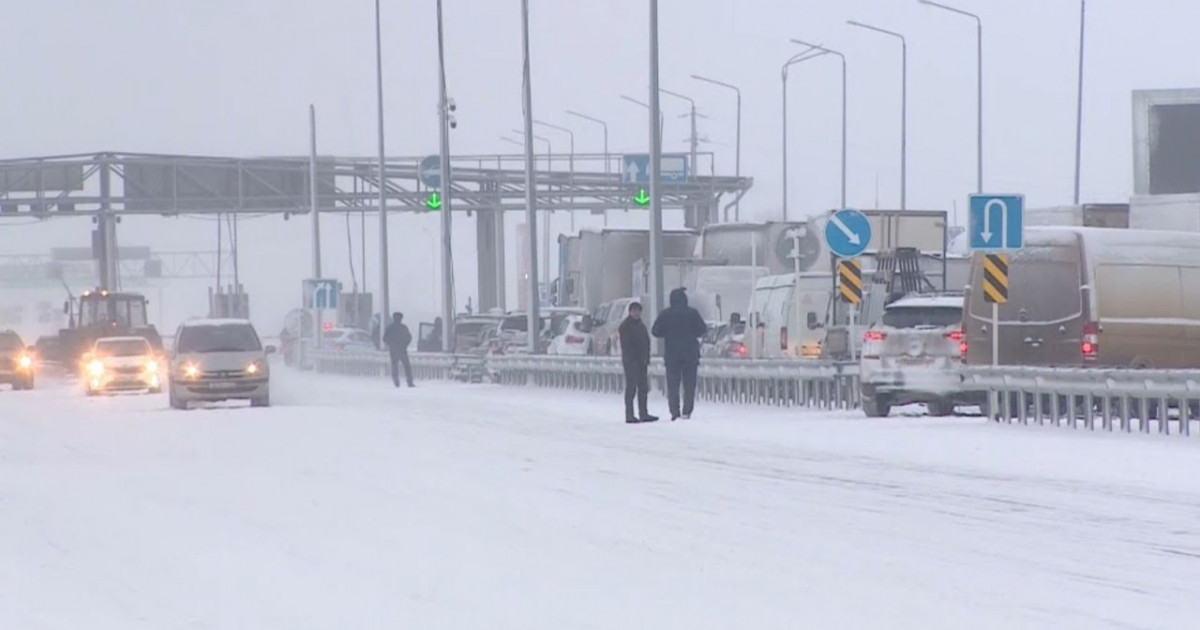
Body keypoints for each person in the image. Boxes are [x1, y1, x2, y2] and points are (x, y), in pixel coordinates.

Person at [652, 288, 708, 420]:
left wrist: (668, 333)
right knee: (689, 385)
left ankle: (674, 411)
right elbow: (702, 329)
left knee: (673, 386)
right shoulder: (692, 313)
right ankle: (687, 411)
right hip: (690, 355)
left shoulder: (665, 314)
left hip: (672, 355)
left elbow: (655, 331)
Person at [618, 302, 658, 424]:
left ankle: (643, 413)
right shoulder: (625, 326)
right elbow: (627, 345)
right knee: (631, 388)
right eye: (634, 311)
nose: (636, 313)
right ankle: (629, 414)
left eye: (638, 311)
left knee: (643, 388)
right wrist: (632, 359)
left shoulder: (641, 326)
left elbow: (646, 342)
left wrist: (646, 358)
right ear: (630, 312)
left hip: (642, 361)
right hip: (631, 361)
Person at [382, 312, 414, 388]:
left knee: (394, 366)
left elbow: (384, 338)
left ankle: (396, 382)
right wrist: (405, 345)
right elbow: (409, 337)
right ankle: (410, 382)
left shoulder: (390, 328)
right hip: (403, 350)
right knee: (407, 366)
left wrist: (390, 344)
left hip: (393, 350)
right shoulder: (404, 327)